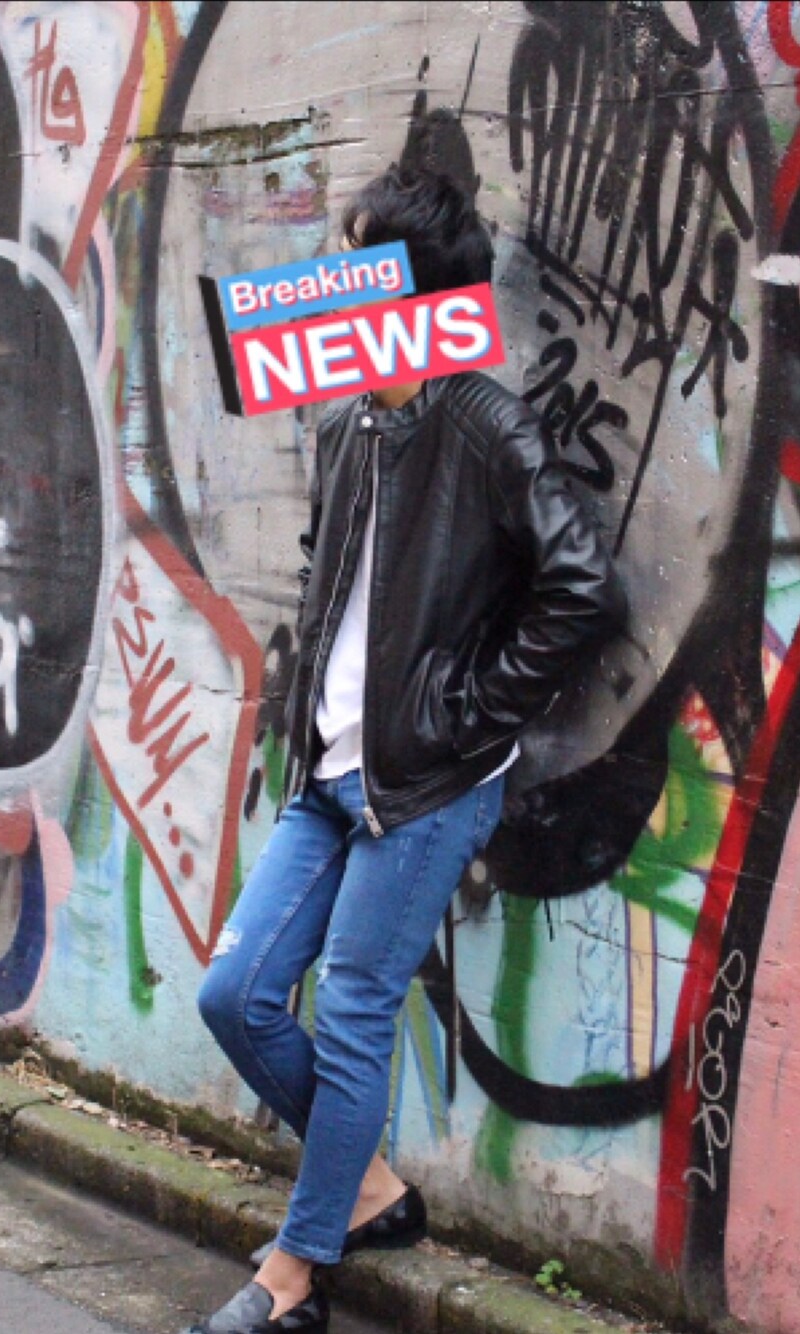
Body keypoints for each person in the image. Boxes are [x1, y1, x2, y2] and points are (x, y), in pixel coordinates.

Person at [187, 166, 627, 1334]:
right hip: (332, 772)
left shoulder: (485, 424)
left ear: (406, 291)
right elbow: (333, 579)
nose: (328, 281)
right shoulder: (347, 421)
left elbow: (583, 588)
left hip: (429, 782)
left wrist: (468, 712)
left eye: (353, 262)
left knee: (352, 1014)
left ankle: (293, 1277)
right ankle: (371, 1188)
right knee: (236, 994)